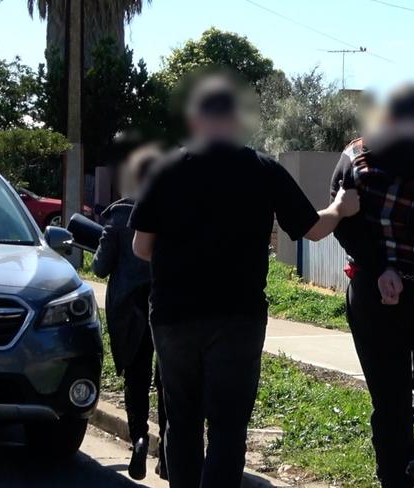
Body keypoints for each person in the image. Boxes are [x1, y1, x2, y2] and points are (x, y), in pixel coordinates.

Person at [129, 74, 360, 488]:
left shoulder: (164, 169)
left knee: (181, 424)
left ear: (195, 120)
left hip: (173, 318)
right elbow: (313, 230)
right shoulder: (262, 169)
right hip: (238, 318)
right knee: (228, 427)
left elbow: (141, 248)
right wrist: (340, 206)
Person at [331, 84, 414, 488]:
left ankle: (394, 478)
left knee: (388, 401)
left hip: (376, 296)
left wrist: (377, 269)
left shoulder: (356, 156)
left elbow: (343, 220)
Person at [92, 145, 168, 481]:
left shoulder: (118, 216)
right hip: (166, 305)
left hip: (129, 311)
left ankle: (138, 438)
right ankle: (167, 451)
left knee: (136, 380)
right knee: (168, 379)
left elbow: (101, 266)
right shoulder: (173, 211)